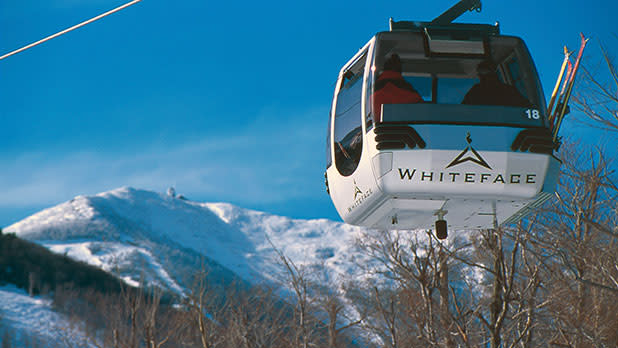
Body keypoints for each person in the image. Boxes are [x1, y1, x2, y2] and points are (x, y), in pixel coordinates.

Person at [372, 53, 423, 124]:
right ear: (399, 69)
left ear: (384, 68)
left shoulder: (371, 93)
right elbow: (423, 114)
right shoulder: (411, 94)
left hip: (382, 132)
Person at [462, 60, 531, 107]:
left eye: (484, 72)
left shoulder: (476, 91)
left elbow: (525, 107)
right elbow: (465, 108)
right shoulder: (508, 90)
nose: (481, 76)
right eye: (481, 73)